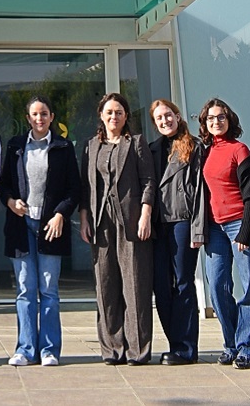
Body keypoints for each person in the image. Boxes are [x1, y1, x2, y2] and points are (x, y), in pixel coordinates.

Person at [0, 95, 81, 367]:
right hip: (21, 226)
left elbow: (74, 189)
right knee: (25, 289)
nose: (39, 119)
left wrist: (60, 214)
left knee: (48, 290)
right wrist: (11, 202)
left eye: (44, 113)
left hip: (50, 227)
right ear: (27, 119)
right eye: (34, 114)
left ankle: (49, 350)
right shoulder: (15, 146)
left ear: (52, 117)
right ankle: (25, 348)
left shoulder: (63, 147)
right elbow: (4, 186)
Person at [79, 92, 155, 365]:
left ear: (126, 117)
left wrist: (145, 215)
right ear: (101, 115)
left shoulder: (135, 143)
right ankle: (112, 348)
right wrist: (85, 219)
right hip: (101, 223)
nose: (114, 117)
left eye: (119, 112)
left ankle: (138, 350)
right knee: (106, 285)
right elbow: (86, 187)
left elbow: (148, 181)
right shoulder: (91, 147)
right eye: (109, 112)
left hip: (131, 221)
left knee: (135, 285)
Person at [199, 97, 250, 370]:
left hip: (241, 224)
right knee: (216, 286)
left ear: (230, 121)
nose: (216, 122)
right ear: (205, 123)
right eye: (211, 118)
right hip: (215, 227)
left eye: (221, 117)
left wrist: (246, 232)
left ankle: (249, 348)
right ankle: (231, 343)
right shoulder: (205, 153)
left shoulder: (240, 150)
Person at [148, 98, 206, 365]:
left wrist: (197, 229)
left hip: (182, 222)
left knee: (183, 284)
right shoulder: (151, 150)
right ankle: (174, 342)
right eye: (159, 118)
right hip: (158, 226)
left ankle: (186, 348)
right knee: (161, 286)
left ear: (178, 115)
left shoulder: (194, 147)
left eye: (168, 115)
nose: (164, 121)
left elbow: (201, 191)